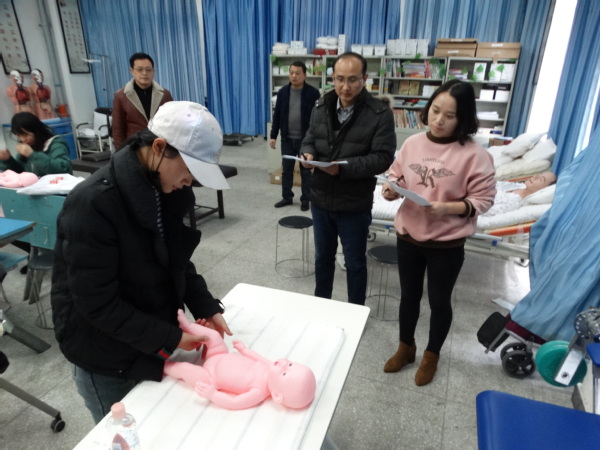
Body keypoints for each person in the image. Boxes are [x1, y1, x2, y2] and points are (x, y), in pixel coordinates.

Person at [51, 101, 232, 424]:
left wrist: (205, 306)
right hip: (105, 357)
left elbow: (175, 259)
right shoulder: (93, 204)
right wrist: (170, 338)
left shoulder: (166, 190)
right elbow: (97, 304)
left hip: (144, 338)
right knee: (125, 434)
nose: (190, 181)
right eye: (190, 170)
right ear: (159, 147)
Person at [381, 79, 496, 386]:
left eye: (449, 115)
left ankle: (431, 355)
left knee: (439, 301)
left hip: (446, 243)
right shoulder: (412, 143)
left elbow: (484, 201)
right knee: (408, 296)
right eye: (435, 110)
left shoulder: (475, 154)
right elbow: (396, 175)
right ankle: (406, 347)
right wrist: (392, 190)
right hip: (408, 236)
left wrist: (448, 208)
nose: (439, 120)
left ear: (463, 118)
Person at [300, 52, 396, 305]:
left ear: (365, 78)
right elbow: (310, 138)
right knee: (322, 259)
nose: (345, 86)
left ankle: (355, 311)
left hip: (354, 203)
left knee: (354, 263)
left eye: (353, 79)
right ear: (332, 77)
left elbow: (383, 157)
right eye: (340, 79)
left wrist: (343, 169)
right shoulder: (321, 106)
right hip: (320, 199)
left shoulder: (379, 113)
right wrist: (307, 153)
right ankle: (322, 306)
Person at [164, 310, 316, 410]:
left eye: (284, 373)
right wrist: (244, 350)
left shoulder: (259, 392)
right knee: (214, 336)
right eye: (290, 364)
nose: (282, 364)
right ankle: (188, 326)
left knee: (184, 368)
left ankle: (165, 366)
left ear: (276, 395)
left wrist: (212, 394)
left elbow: (234, 403)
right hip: (219, 354)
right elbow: (257, 357)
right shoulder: (270, 367)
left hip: (210, 377)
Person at [270, 61, 320, 211]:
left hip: (306, 140)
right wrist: (273, 135)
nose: (293, 76)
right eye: (291, 72)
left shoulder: (313, 93)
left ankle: (306, 199)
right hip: (287, 138)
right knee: (287, 169)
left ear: (305, 75)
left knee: (305, 170)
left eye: (297, 73)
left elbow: (318, 118)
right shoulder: (283, 92)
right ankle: (287, 197)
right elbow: (277, 115)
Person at [111, 52, 173, 150]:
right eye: (139, 69)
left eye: (148, 70)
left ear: (153, 71)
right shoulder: (121, 96)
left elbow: (171, 123)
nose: (144, 73)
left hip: (160, 147)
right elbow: (118, 129)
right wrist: (120, 152)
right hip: (135, 148)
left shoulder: (165, 94)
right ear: (132, 71)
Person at [0, 112, 72, 176]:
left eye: (25, 135)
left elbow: (63, 168)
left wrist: (32, 155)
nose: (22, 139)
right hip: (36, 186)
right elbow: (21, 174)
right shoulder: (27, 146)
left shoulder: (56, 143)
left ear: (36, 132)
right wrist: (8, 160)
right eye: (19, 135)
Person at [484, 172, 557, 217]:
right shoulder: (519, 186)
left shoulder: (513, 203)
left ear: (542, 191)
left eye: (541, 179)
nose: (535, 176)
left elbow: (484, 210)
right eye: (539, 174)